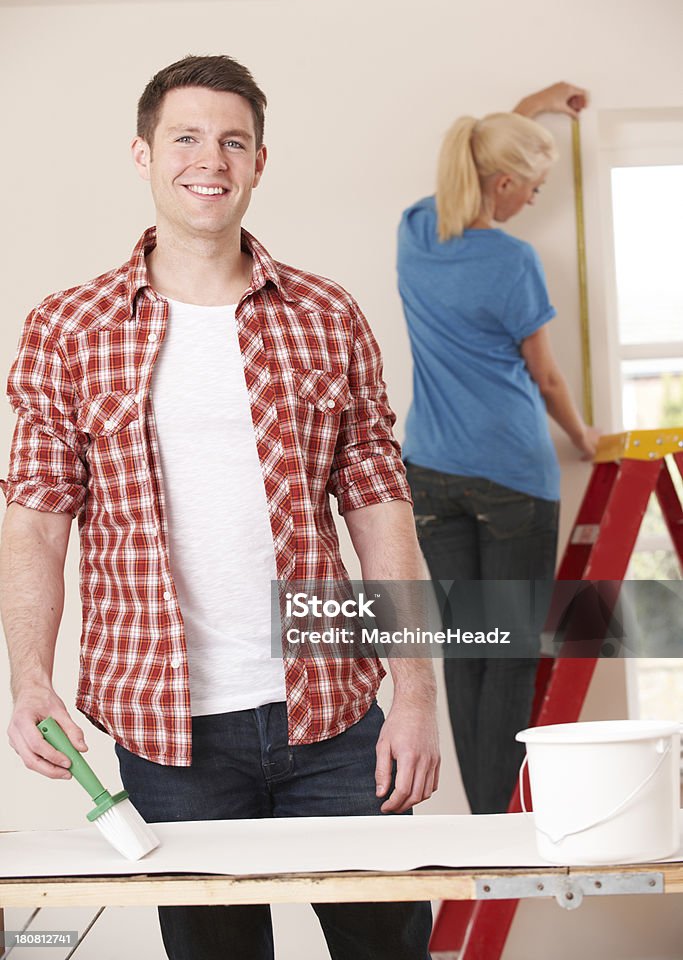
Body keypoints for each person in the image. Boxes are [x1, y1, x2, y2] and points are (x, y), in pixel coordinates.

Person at [0, 54, 439, 960]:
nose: (211, 159)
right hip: (166, 732)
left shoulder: (325, 313)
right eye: (187, 137)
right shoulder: (67, 327)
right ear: (143, 153)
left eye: (233, 141)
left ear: (259, 162)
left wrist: (416, 694)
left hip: (333, 712)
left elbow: (380, 512)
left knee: (388, 949)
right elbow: (35, 519)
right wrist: (29, 677)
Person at [397, 83, 599, 816]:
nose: (533, 200)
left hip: (430, 473)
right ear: (504, 182)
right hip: (512, 475)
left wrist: (532, 105)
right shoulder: (510, 261)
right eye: (532, 187)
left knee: (467, 645)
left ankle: (479, 821)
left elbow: (477, 157)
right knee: (510, 653)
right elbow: (544, 375)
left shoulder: (415, 229)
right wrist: (583, 437)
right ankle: (496, 821)